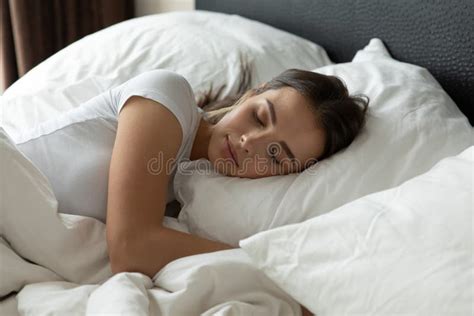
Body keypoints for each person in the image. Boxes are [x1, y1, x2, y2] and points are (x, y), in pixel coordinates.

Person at [15, 68, 368, 280]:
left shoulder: (190, 194)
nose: (249, 143)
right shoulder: (169, 97)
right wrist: (271, 272)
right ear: (252, 93)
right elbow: (131, 248)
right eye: (260, 117)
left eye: (275, 156)